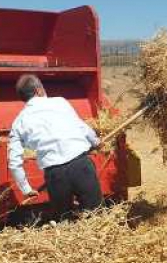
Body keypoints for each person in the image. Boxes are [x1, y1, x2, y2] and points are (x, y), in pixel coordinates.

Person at [8, 74, 103, 218]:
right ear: (39, 90)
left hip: (55, 175)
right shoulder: (60, 102)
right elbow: (80, 126)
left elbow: (14, 161)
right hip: (81, 165)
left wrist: (26, 188)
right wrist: (96, 141)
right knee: (96, 216)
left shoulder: (18, 122)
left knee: (65, 222)